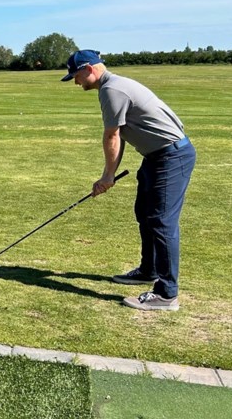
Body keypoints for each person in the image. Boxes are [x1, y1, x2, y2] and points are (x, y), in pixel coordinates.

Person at [62, 50, 195, 311]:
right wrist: (109, 174)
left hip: (171, 157)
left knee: (161, 221)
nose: (76, 82)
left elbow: (111, 135)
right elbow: (120, 134)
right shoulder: (114, 86)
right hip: (157, 157)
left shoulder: (112, 90)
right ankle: (149, 270)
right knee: (145, 214)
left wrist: (107, 176)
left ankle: (166, 294)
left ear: (88, 69)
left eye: (76, 76)